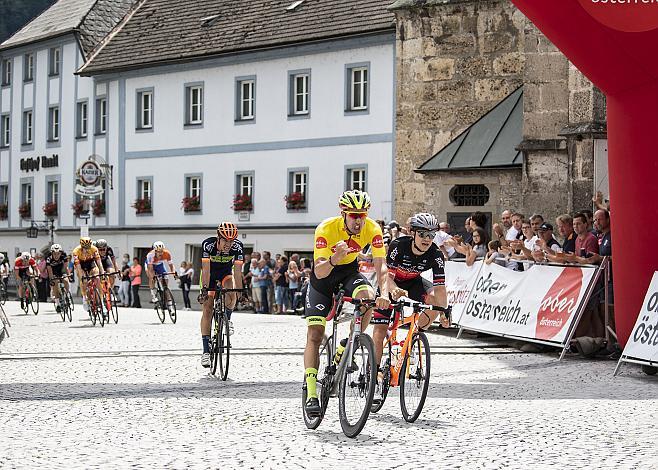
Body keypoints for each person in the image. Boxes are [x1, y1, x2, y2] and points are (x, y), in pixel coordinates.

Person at [303, 190, 389, 417]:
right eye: (354, 215)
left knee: (368, 297)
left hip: (349, 272)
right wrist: (334, 258)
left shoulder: (372, 228)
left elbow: (381, 266)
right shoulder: (326, 228)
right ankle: (312, 392)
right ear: (344, 213)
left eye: (362, 215)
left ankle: (351, 341)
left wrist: (385, 293)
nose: (359, 220)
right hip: (324, 276)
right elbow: (319, 271)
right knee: (314, 334)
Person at [373, 213, 449, 375]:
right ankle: (373, 371)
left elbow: (440, 288)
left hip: (414, 282)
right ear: (412, 233)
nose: (427, 239)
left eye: (431, 234)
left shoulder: (436, 254)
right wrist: (393, 290)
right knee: (380, 330)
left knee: (435, 302)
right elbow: (387, 277)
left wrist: (444, 312)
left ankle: (413, 338)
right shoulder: (398, 245)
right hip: (392, 282)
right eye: (422, 234)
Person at [197, 222, 244, 368]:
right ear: (219, 237)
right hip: (209, 274)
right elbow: (205, 269)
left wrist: (241, 291)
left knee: (231, 291)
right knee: (208, 307)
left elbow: (237, 272)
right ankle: (205, 351)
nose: (229, 244)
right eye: (225, 240)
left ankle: (227, 320)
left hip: (225, 274)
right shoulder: (208, 245)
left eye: (231, 241)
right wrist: (205, 289)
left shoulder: (237, 247)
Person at [72, 237, 105, 312]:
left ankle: (102, 302)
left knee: (97, 278)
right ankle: (84, 298)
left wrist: (102, 272)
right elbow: (78, 267)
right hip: (81, 264)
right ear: (81, 246)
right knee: (84, 281)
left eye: (88, 247)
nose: (87, 250)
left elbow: (99, 262)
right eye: (85, 248)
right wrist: (82, 277)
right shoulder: (76, 251)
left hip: (90, 262)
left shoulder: (94, 249)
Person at [46, 244, 70, 313]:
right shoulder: (48, 258)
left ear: (61, 253)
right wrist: (51, 279)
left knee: (65, 280)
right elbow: (49, 271)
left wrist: (68, 275)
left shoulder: (64, 255)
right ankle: (57, 303)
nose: (56, 255)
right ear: (52, 253)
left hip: (61, 269)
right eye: (54, 254)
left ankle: (67, 295)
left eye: (58, 254)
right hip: (53, 271)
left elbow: (66, 267)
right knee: (55, 283)